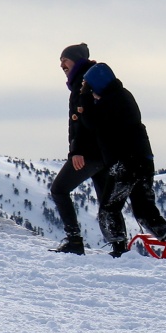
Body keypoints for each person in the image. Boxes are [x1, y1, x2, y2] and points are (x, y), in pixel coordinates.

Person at [74, 61, 166, 259]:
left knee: (109, 208)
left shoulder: (112, 101)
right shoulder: (122, 96)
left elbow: (93, 123)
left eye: (91, 87)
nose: (91, 92)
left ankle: (119, 249)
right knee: (144, 210)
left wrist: (84, 98)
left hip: (125, 163)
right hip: (142, 161)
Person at [47, 43, 112, 255]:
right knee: (106, 202)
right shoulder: (91, 80)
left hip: (89, 153)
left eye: (65, 59)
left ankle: (74, 241)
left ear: (77, 60)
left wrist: (76, 151)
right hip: (103, 153)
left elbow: (82, 122)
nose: (61, 65)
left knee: (59, 189)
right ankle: (119, 245)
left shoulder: (84, 84)